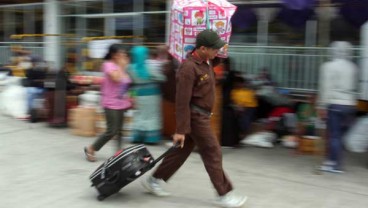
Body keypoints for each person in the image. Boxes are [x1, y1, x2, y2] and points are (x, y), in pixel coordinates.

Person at [141, 30, 247, 208]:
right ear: (203, 48)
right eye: (214, 49)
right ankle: (224, 194)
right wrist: (180, 130)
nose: (217, 52)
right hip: (196, 117)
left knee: (180, 152)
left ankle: (155, 180)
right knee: (213, 152)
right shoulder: (188, 68)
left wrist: (223, 46)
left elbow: (220, 57)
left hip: (201, 116)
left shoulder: (206, 62)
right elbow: (181, 102)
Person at [84, 44, 132, 162]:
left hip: (122, 103)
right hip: (110, 103)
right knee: (112, 131)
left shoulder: (122, 66)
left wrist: (131, 98)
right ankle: (91, 148)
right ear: (114, 55)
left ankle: (118, 154)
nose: (124, 55)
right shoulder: (108, 65)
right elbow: (116, 78)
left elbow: (126, 84)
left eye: (125, 53)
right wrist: (121, 66)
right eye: (121, 53)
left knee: (120, 131)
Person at [317, 41, 358, 173]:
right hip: (350, 106)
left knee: (334, 136)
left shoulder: (328, 66)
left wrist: (321, 106)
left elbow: (325, 88)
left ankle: (335, 165)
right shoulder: (353, 67)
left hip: (335, 104)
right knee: (340, 136)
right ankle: (332, 160)